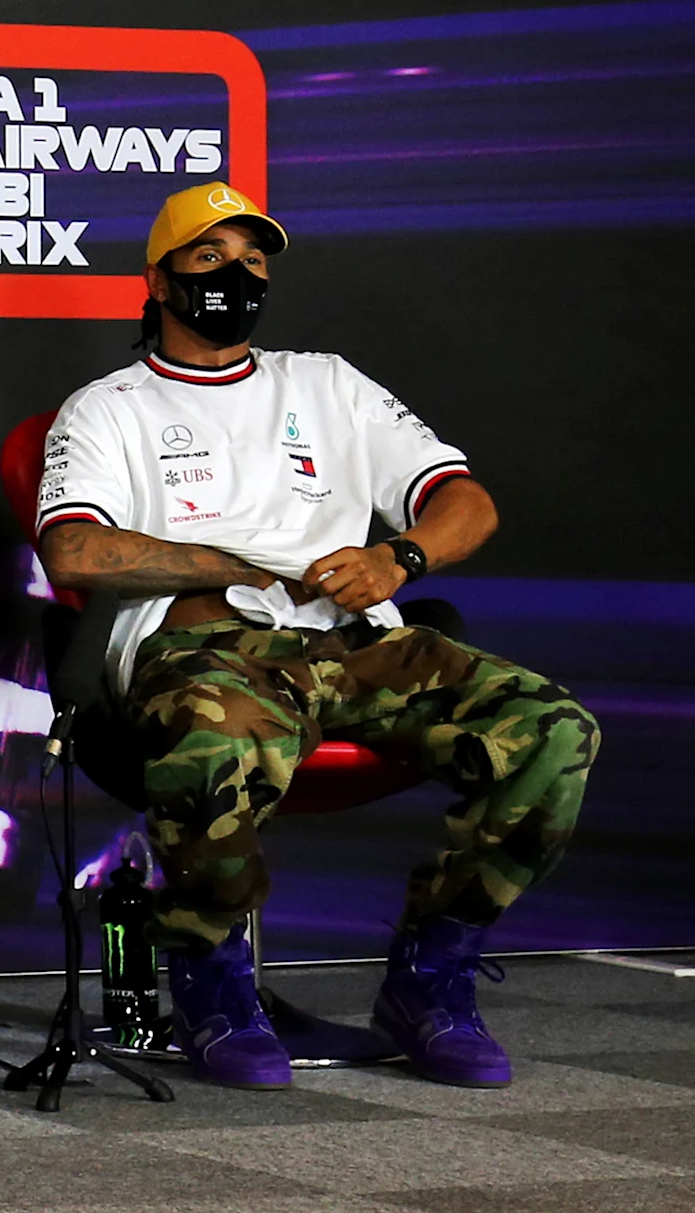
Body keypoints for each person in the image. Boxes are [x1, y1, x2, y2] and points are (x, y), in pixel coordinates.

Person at [35, 180, 597, 1089]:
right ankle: (211, 978)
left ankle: (432, 975)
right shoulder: (109, 406)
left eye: (254, 260)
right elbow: (75, 547)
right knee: (217, 737)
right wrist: (234, 562)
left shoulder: (328, 382)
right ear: (159, 276)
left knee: (553, 729)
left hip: (359, 637)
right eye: (210, 257)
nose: (237, 275)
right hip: (209, 643)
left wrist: (399, 559)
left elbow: (466, 501)